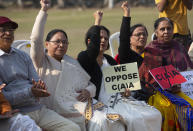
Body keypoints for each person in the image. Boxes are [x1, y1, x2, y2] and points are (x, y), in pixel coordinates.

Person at [30, 0, 125, 131]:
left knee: (112, 121)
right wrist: (43, 11)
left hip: (78, 105)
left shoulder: (71, 63)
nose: (61, 45)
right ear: (47, 44)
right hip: (53, 111)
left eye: (64, 42)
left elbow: (90, 85)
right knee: (100, 121)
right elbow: (35, 39)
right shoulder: (40, 60)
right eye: (57, 42)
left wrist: (88, 91)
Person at [77, 2, 162, 131]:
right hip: (99, 103)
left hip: (119, 101)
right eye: (99, 38)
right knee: (131, 120)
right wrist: (97, 21)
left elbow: (121, 87)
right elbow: (92, 50)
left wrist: (125, 91)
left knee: (154, 114)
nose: (104, 40)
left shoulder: (110, 60)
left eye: (106, 38)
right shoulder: (84, 58)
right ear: (90, 41)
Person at [0, 14, 81, 131]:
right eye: (3, 30)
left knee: (73, 128)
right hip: (17, 113)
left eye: (11, 30)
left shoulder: (22, 56)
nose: (8, 33)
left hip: (38, 108)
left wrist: (39, 89)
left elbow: (36, 82)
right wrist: (30, 92)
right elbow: (3, 97)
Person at [139, 17, 193, 131]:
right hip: (157, 91)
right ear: (156, 32)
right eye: (162, 29)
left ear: (173, 30)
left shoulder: (178, 47)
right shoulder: (151, 49)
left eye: (169, 29)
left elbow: (188, 69)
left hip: (182, 88)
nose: (166, 32)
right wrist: (169, 87)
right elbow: (149, 78)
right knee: (167, 108)